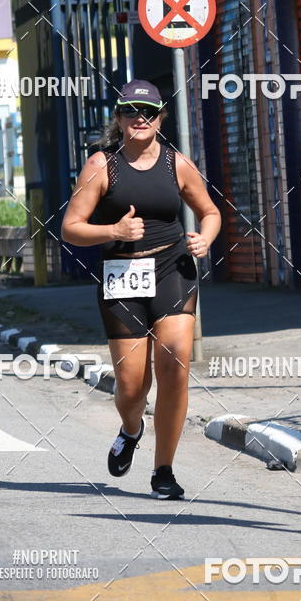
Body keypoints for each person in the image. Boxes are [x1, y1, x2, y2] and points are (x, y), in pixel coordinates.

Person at [61, 80, 221, 499]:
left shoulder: (177, 164)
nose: (140, 118)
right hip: (122, 274)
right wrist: (113, 231)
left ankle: (163, 470)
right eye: (131, 111)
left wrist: (205, 238)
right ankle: (131, 429)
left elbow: (210, 212)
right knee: (132, 388)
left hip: (172, 268)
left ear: (161, 118)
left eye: (148, 112)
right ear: (119, 118)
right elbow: (71, 228)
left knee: (175, 365)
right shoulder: (101, 165)